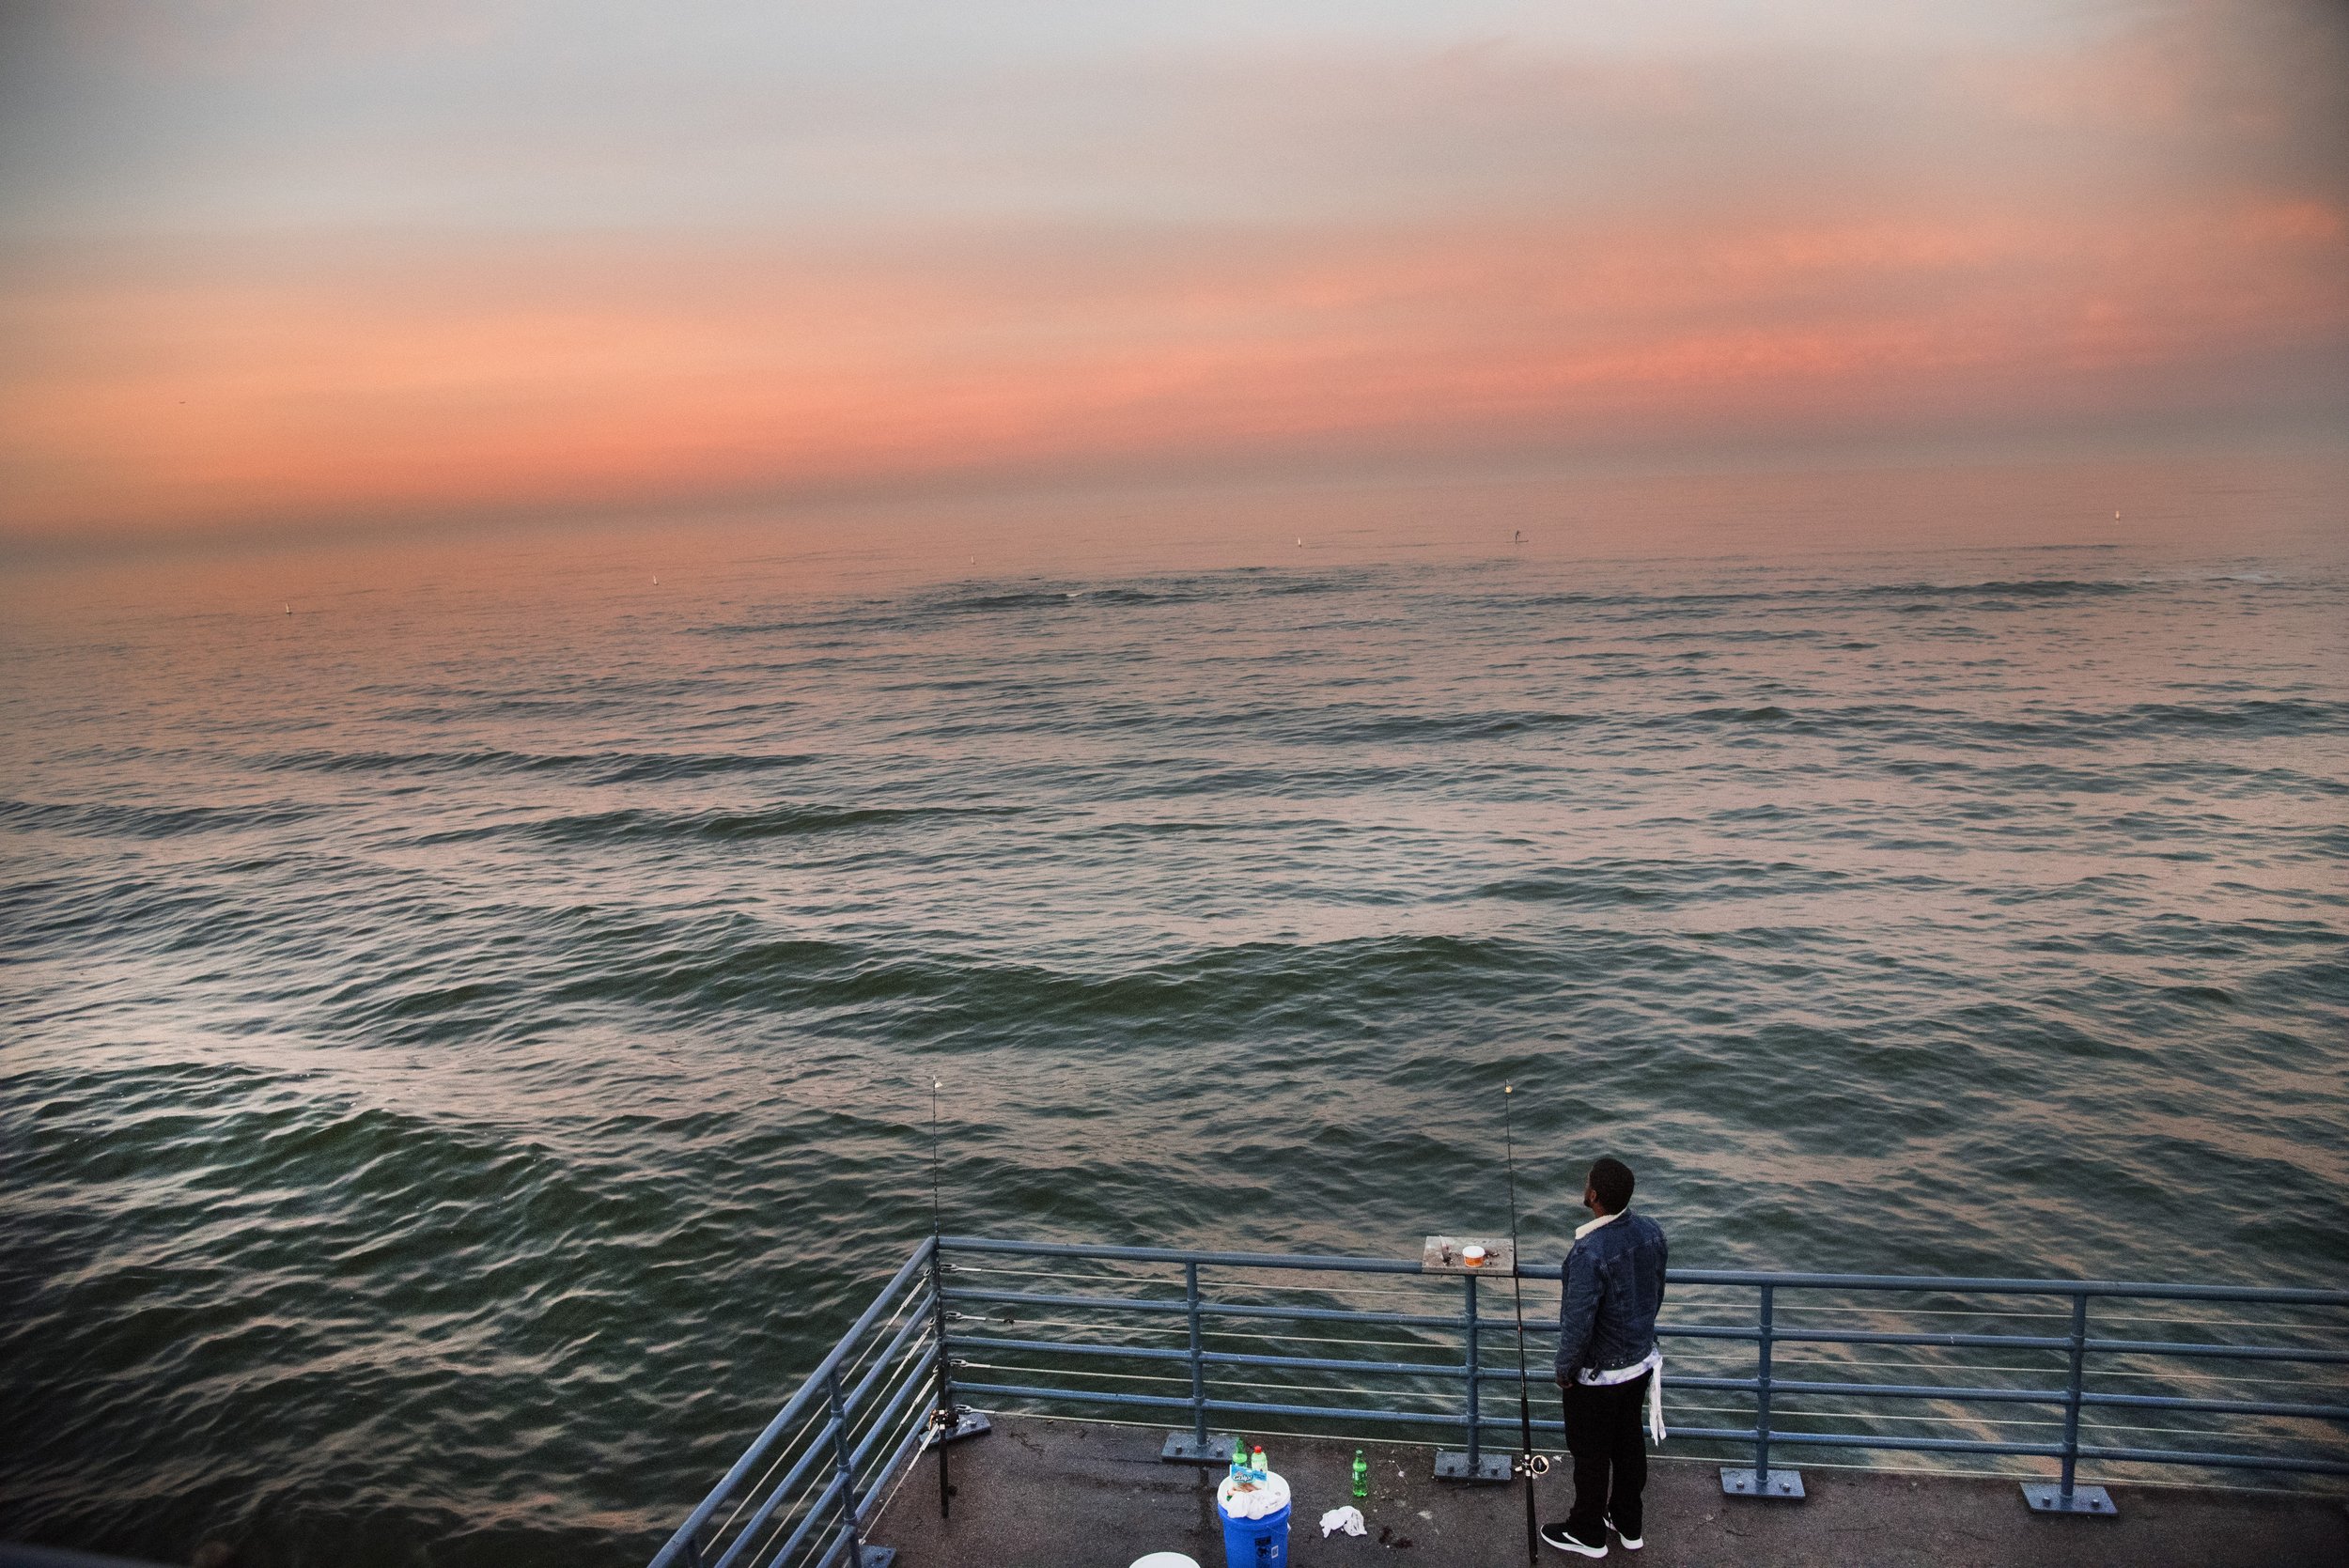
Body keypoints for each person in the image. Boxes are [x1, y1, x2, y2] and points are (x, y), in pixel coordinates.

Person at [1541, 1157, 1667, 1559]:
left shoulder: (1589, 1252)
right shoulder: (1650, 1231)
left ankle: (1587, 1532)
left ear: (1593, 1196)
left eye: (1587, 1182)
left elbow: (1578, 1322)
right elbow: (1656, 1292)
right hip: (1641, 1364)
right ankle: (1629, 1525)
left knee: (1591, 1454)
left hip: (1599, 1376)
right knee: (1629, 1442)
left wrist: (1565, 1369)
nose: (1584, 1185)